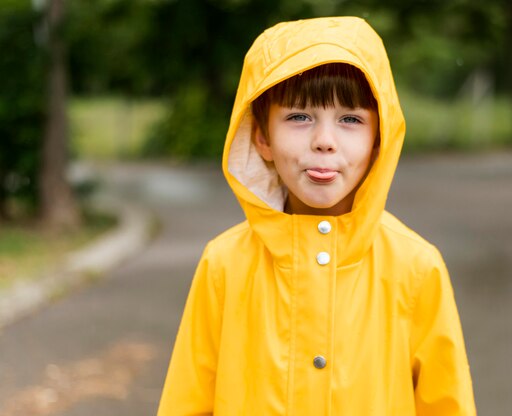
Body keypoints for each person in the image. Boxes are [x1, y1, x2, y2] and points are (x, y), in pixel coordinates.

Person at [158, 16, 475, 415]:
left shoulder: (415, 267)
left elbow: (447, 404)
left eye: (350, 119)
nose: (324, 141)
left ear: (380, 138)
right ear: (261, 136)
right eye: (299, 117)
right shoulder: (224, 265)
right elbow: (187, 402)